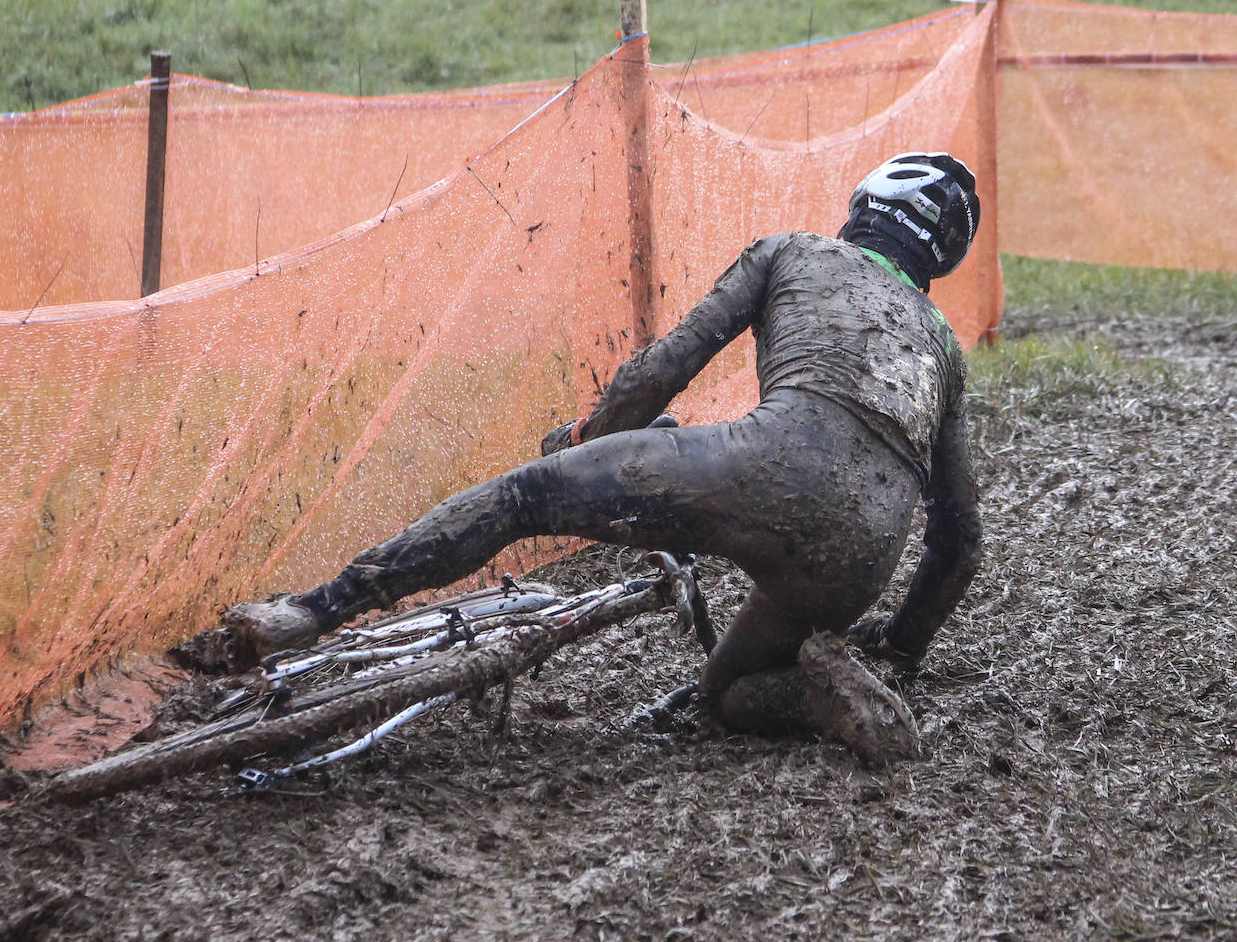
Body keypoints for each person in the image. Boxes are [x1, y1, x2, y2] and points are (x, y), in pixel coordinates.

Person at [222, 152, 983, 745]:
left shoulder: (793, 252)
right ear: (939, 260)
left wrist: (585, 439)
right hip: (861, 552)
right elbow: (958, 540)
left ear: (864, 204)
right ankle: (819, 693)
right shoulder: (943, 343)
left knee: (521, 498)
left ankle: (307, 612)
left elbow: (660, 372)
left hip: (767, 462)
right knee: (725, 697)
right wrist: (903, 645)